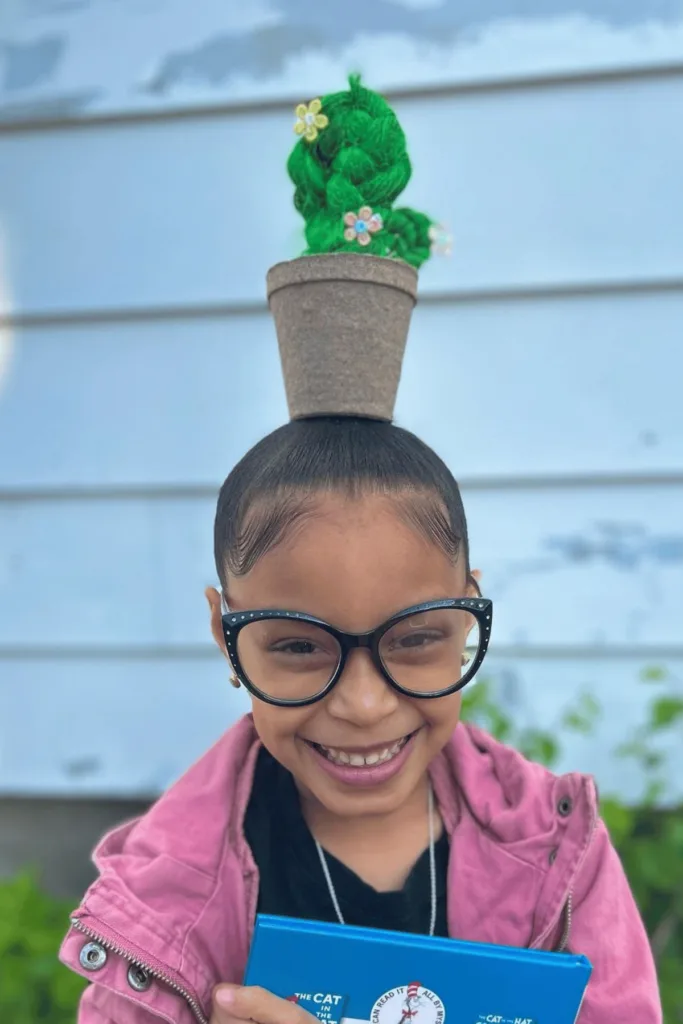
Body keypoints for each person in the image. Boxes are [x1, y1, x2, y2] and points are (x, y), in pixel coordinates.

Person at [59, 79, 662, 1024]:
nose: (365, 701)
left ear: (468, 602)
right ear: (225, 634)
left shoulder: (559, 853)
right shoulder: (170, 896)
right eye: (297, 644)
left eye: (419, 638)